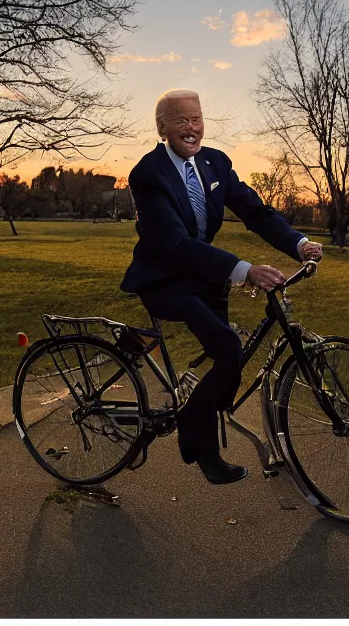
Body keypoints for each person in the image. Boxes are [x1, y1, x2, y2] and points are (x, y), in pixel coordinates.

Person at [120, 90, 322, 485]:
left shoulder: (215, 162)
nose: (192, 128)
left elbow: (254, 211)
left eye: (196, 119)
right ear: (162, 127)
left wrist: (297, 243)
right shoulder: (148, 174)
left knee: (231, 357)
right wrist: (244, 270)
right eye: (181, 120)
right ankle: (202, 447)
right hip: (165, 279)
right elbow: (176, 245)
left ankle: (199, 421)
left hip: (205, 276)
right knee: (229, 349)